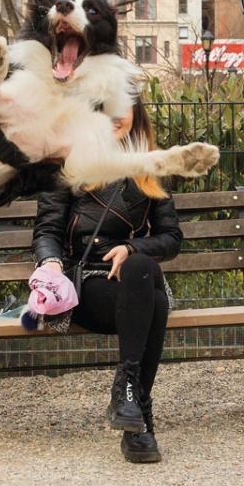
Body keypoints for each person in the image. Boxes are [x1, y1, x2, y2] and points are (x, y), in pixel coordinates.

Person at [31, 97, 182, 463]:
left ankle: (127, 397)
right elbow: (47, 230)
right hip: (84, 286)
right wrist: (50, 262)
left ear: (135, 113)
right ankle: (140, 414)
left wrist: (130, 248)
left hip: (134, 281)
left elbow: (172, 238)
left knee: (142, 268)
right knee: (157, 303)